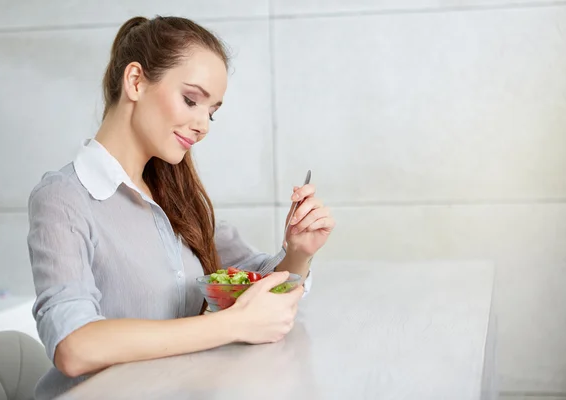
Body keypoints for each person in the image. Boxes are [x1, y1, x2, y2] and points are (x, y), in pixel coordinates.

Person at [27, 15, 335, 399]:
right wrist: (232, 326)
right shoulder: (65, 197)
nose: (203, 124)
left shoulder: (178, 196)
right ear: (135, 81)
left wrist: (298, 253)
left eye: (212, 111)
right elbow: (74, 346)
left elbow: (254, 279)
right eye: (191, 100)